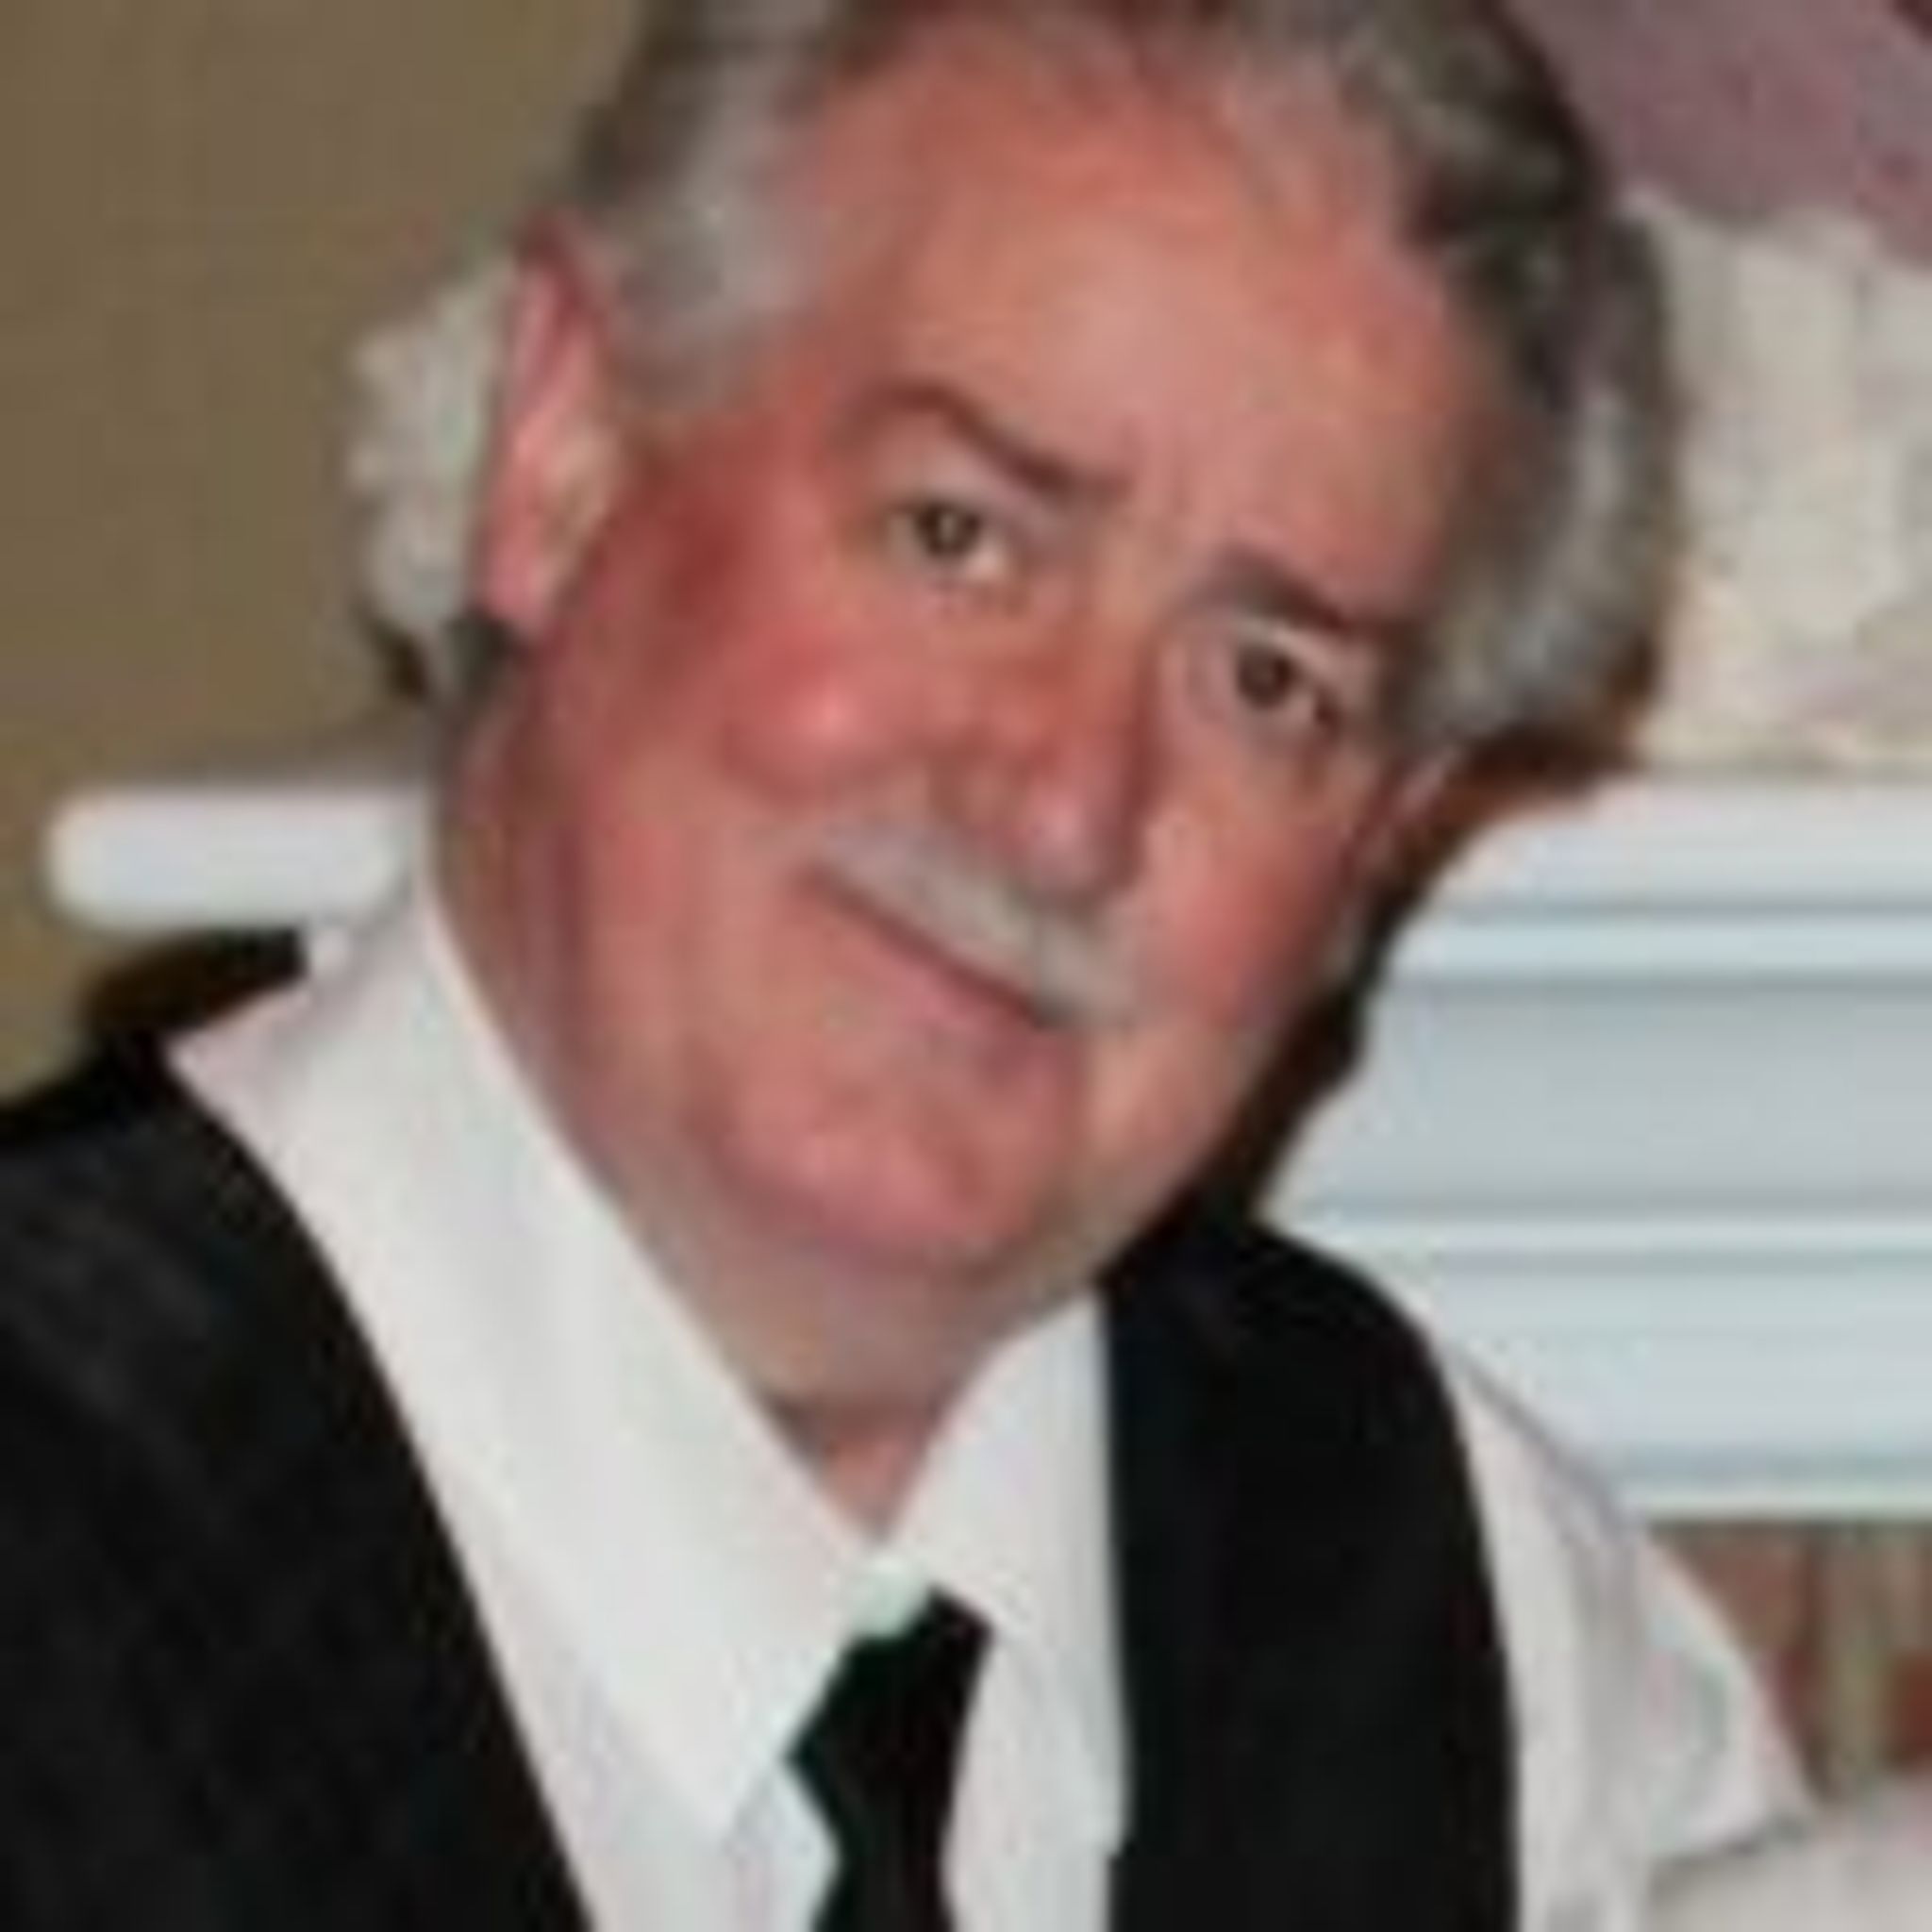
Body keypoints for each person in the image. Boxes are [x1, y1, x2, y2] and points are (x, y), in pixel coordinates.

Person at [0, 1, 1802, 1925]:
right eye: (960, 536)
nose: (1066, 803)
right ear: (562, 457)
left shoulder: (1496, 1649)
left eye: (1266, 680)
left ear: (1384, 842)